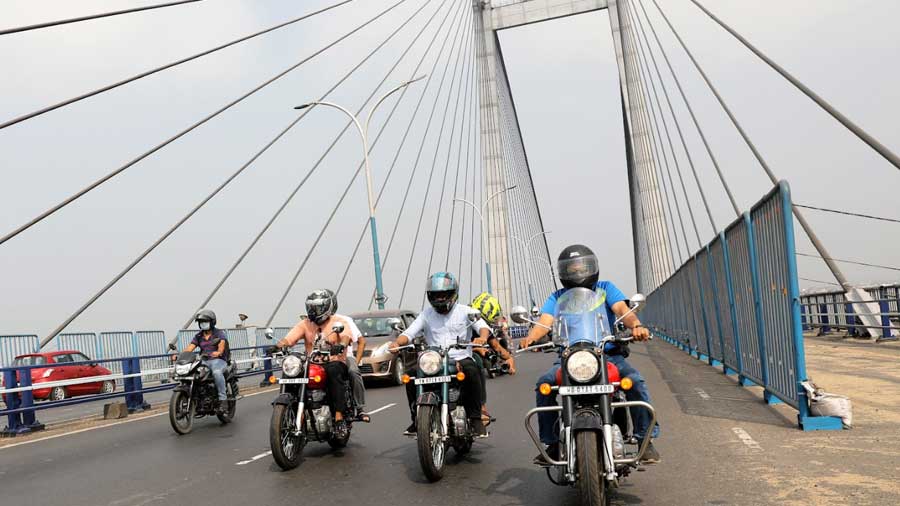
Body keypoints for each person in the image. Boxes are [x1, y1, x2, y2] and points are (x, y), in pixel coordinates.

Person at [518, 244, 660, 464]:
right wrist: (531, 337)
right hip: (569, 358)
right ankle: (552, 443)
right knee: (544, 384)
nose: (577, 273)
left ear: (591, 267)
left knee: (634, 381)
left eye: (580, 268)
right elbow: (545, 321)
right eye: (571, 269)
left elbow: (622, 310)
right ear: (563, 273)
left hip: (607, 355)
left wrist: (636, 326)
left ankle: (645, 439)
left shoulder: (605, 289)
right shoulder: (557, 297)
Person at [390, 272, 490, 437]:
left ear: (453, 293)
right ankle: (416, 419)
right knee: (410, 376)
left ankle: (475, 419)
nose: (440, 299)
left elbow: (482, 327)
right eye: (436, 295)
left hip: (460, 357)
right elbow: (408, 333)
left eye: (444, 294)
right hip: (434, 360)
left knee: (472, 370)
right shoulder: (426, 315)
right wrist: (397, 343)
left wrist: (482, 337)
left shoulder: (467, 311)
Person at [272, 290, 368, 440]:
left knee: (334, 370)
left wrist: (341, 346)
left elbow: (345, 337)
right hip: (312, 363)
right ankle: (292, 410)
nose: (313, 311)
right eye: (311, 307)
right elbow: (289, 338)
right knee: (291, 372)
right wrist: (277, 346)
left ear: (327, 307)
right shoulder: (305, 324)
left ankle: (338, 419)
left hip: (334, 361)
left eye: (317, 308)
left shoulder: (339, 322)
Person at [469, 292, 516, 426]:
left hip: (467, 358)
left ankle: (481, 408)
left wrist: (509, 358)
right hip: (451, 357)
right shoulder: (463, 318)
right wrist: (477, 349)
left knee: (476, 363)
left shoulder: (481, 327)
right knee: (476, 363)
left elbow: (496, 346)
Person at [179, 309, 229, 414]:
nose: (203, 324)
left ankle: (223, 400)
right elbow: (189, 348)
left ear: (212, 322)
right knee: (192, 373)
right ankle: (196, 397)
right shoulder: (199, 336)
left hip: (218, 360)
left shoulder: (219, 333)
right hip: (204, 360)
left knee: (216, 372)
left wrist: (218, 352)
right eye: (201, 322)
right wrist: (180, 355)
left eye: (205, 322)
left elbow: (222, 345)